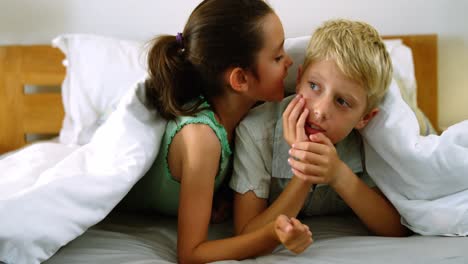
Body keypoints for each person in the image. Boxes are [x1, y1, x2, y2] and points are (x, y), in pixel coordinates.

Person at [120, 0, 313, 263]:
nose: (289, 61)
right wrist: (271, 233)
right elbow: (191, 254)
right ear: (240, 80)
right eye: (278, 57)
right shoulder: (202, 138)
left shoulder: (243, 110)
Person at [230, 19, 410, 248]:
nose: (320, 110)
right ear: (299, 80)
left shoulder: (369, 140)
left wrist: (338, 175)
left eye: (342, 101)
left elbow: (396, 228)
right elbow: (245, 235)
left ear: (364, 118)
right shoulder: (255, 132)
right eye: (314, 86)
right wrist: (305, 174)